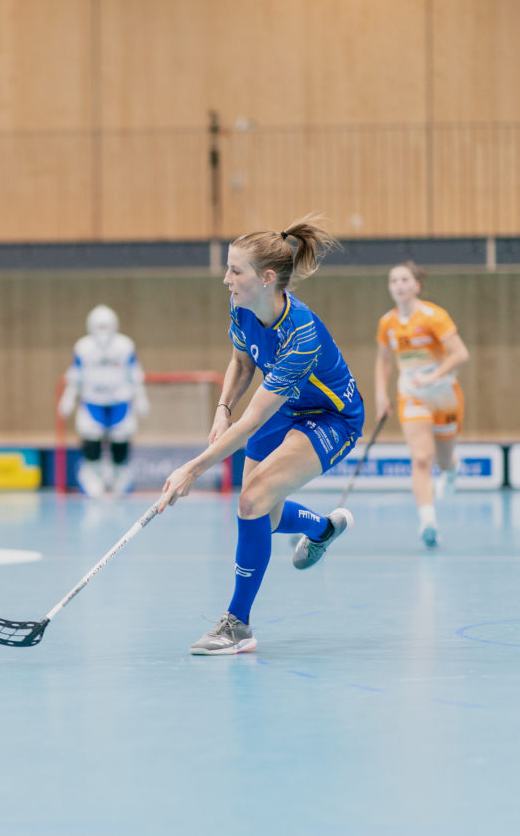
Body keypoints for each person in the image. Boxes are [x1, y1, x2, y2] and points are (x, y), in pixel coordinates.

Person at [157, 215, 364, 655]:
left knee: (250, 501)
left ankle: (238, 625)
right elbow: (242, 362)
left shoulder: (301, 335)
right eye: (228, 268)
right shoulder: (242, 305)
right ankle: (324, 528)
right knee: (264, 516)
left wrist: (191, 470)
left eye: (236, 271)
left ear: (267, 278)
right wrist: (221, 410)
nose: (226, 279)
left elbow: (253, 421)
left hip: (331, 418)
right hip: (286, 404)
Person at [374, 261, 469, 547]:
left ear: (417, 285)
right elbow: (383, 360)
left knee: (442, 459)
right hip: (412, 395)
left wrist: (433, 377)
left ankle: (452, 469)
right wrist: (381, 394)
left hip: (443, 394)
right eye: (394, 281)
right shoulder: (387, 323)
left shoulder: (433, 316)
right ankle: (428, 521)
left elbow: (460, 353)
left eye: (405, 280)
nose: (399, 286)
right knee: (421, 458)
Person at [58, 304, 151, 496]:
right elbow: (75, 376)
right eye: (99, 326)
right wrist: (68, 397)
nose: (103, 332)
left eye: (106, 326)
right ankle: (93, 478)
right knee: (90, 438)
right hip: (92, 402)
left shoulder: (125, 346)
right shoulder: (83, 347)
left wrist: (141, 397)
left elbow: (134, 374)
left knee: (121, 439)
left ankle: (119, 479)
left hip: (120, 402)